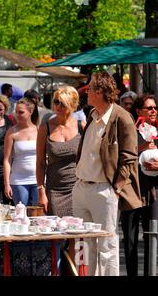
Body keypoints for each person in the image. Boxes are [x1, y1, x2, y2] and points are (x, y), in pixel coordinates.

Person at [73, 71, 142, 276]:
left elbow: (129, 157)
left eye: (90, 88)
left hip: (104, 190)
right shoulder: (91, 115)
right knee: (82, 244)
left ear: (101, 91)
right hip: (81, 187)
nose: (86, 92)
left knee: (107, 245)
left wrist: (115, 188)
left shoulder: (121, 117)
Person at [120, 94, 158, 276]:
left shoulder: (157, 132)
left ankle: (150, 272)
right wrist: (141, 149)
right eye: (149, 108)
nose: (153, 111)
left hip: (153, 192)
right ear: (138, 111)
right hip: (132, 190)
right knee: (130, 239)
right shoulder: (130, 131)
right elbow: (120, 156)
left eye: (155, 108)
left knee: (153, 235)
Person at [36, 86, 85, 217]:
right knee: (56, 233)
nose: (58, 106)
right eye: (56, 102)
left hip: (78, 188)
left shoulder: (82, 126)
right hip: (54, 189)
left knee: (76, 233)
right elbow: (40, 162)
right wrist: (41, 191)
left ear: (72, 104)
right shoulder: (45, 127)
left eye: (62, 103)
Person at [3, 97, 39, 205]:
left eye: (21, 112)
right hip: (18, 180)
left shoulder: (39, 130)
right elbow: (7, 160)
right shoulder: (12, 131)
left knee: (38, 216)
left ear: (30, 112)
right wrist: (7, 184)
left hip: (38, 180)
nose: (17, 115)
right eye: (16, 112)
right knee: (21, 215)